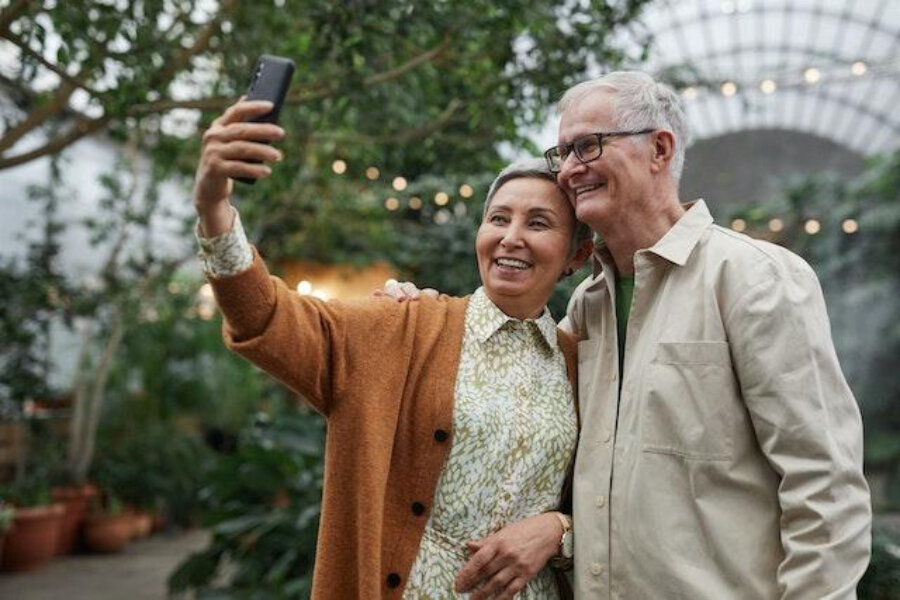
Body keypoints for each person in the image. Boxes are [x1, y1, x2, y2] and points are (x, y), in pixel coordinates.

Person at [388, 71, 872, 599]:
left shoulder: (754, 278)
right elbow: (567, 464)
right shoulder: (586, 307)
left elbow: (824, 486)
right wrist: (421, 317)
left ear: (659, 149)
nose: (569, 169)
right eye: (563, 152)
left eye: (588, 146)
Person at [191, 99, 594, 599]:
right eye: (498, 219)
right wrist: (213, 208)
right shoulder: (401, 328)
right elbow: (266, 318)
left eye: (538, 223)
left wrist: (560, 529)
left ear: (577, 254)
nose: (511, 238)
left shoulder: (583, 363)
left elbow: (613, 499)